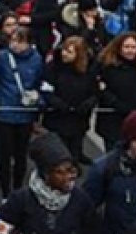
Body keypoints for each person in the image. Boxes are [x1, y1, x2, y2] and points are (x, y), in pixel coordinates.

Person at [0, 26, 44, 194]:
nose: (15, 45)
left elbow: (39, 83)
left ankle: (18, 188)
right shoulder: (2, 57)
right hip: (4, 111)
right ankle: (5, 191)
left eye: (19, 41)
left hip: (25, 113)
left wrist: (39, 100)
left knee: (21, 155)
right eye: (12, 40)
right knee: (4, 155)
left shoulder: (36, 60)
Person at [42, 36, 99, 164]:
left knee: (74, 153)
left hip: (79, 119)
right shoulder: (53, 67)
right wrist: (59, 104)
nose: (64, 54)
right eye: (64, 50)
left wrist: (87, 104)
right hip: (57, 117)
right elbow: (46, 89)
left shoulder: (89, 69)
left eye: (69, 52)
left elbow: (95, 91)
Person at [96, 32, 136, 151]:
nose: (130, 50)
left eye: (133, 47)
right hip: (112, 118)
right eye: (126, 47)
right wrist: (116, 103)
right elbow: (100, 88)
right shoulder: (107, 65)